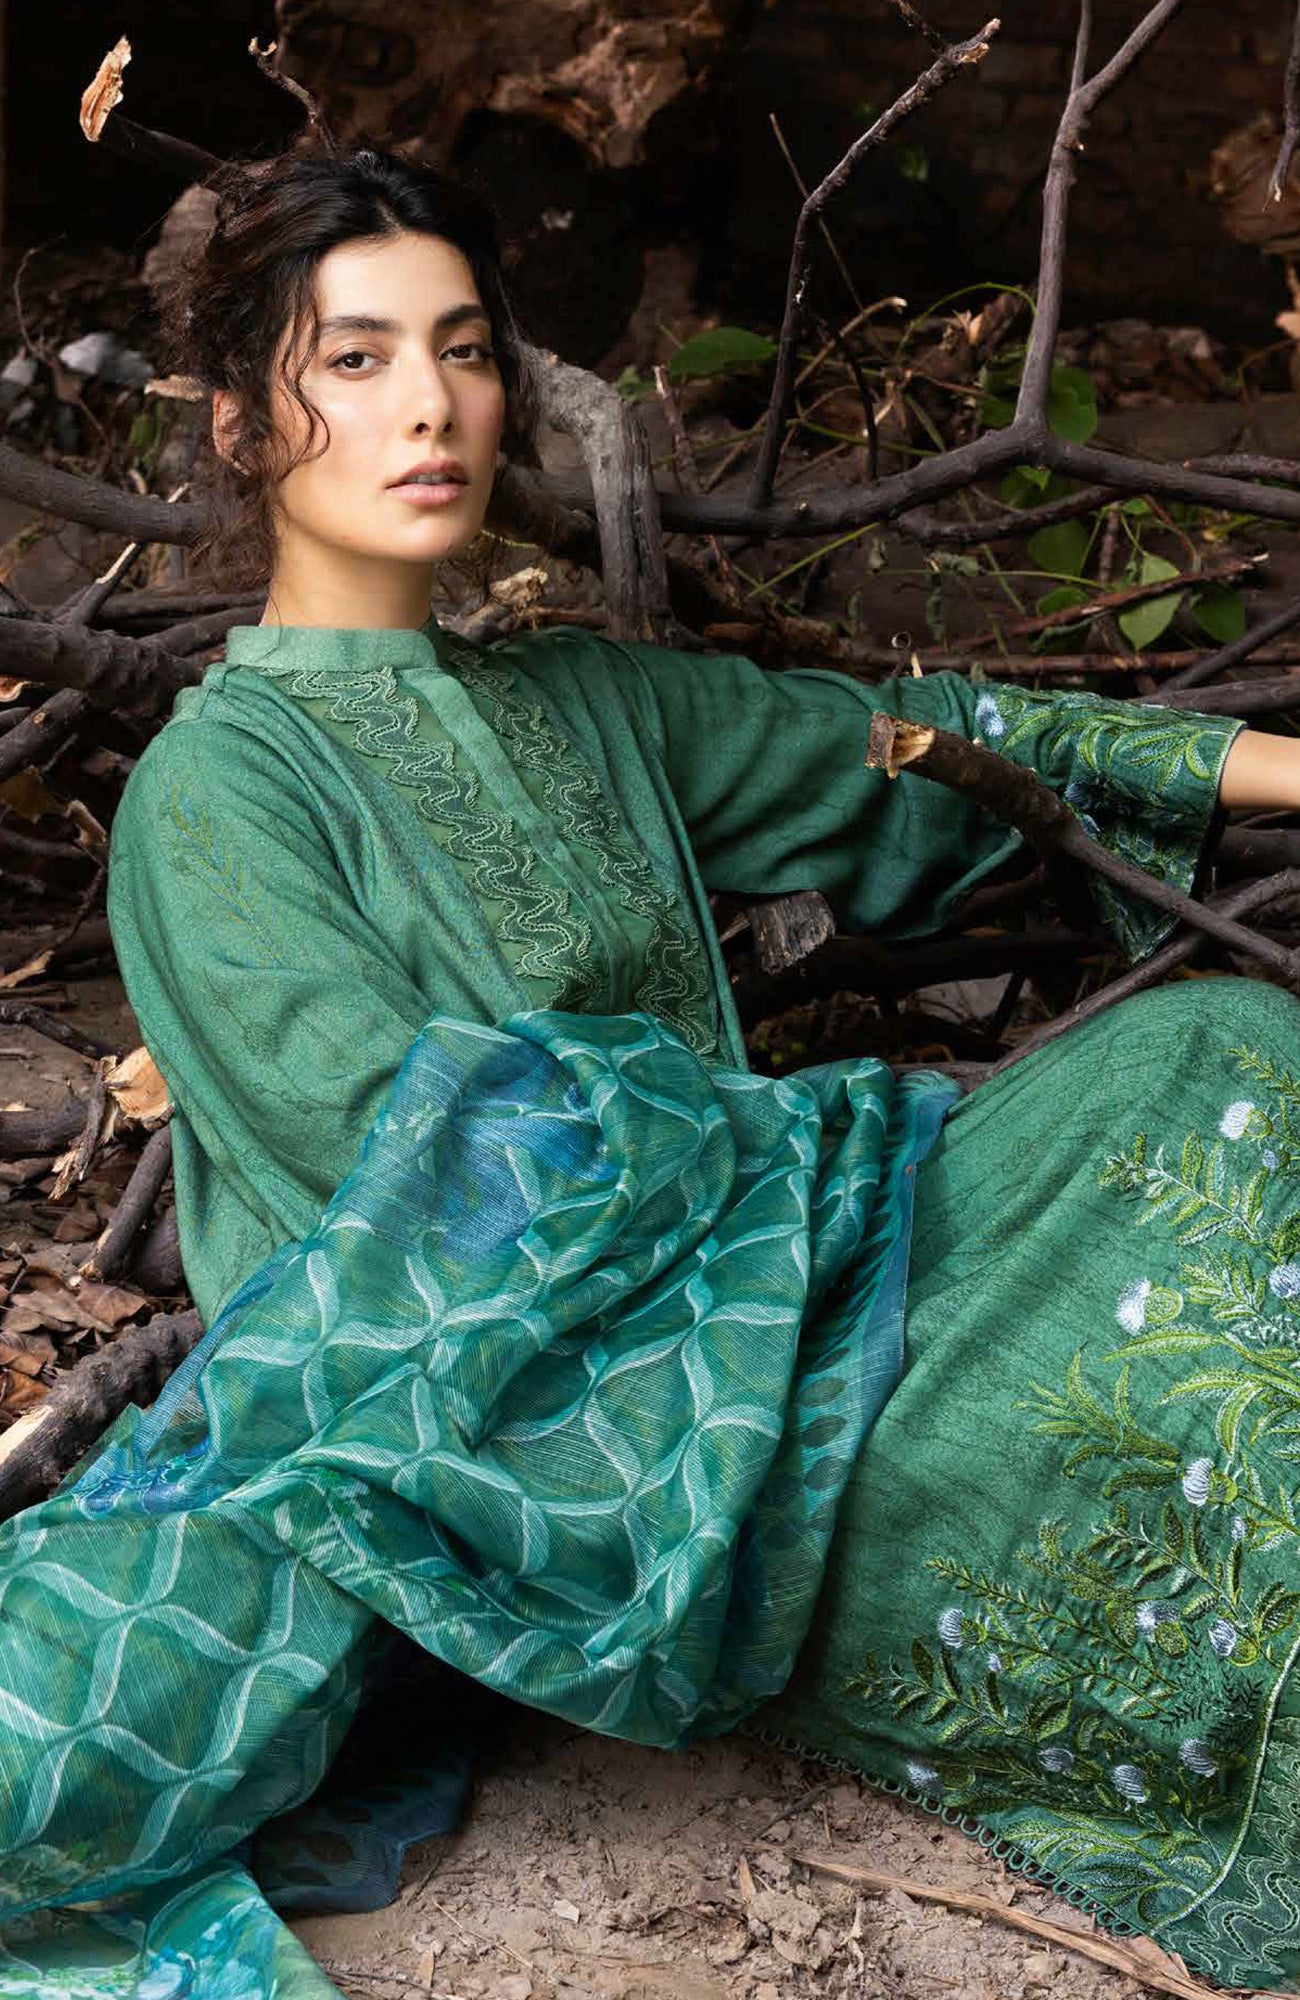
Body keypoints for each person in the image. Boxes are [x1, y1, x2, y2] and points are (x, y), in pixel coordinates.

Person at [1, 139, 1299, 2000]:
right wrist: (818, 1162)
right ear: (239, 425)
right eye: (357, 358)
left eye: (462, 349)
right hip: (548, 1424)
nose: (431, 404)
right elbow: (419, 1165)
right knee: (1088, 1444)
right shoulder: (220, 794)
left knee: (1215, 1060)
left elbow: (917, 742)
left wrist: (1276, 771)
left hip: (791, 1287)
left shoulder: (580, 697)